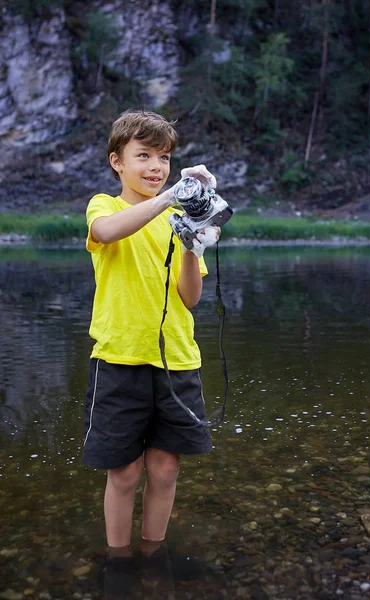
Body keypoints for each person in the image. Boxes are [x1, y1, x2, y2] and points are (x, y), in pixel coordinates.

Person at [82, 109, 218, 580]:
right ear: (117, 161)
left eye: (163, 157)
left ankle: (154, 552)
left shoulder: (178, 217)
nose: (156, 166)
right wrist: (171, 200)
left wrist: (191, 247)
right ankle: (119, 560)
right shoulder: (106, 206)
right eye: (143, 155)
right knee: (124, 472)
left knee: (164, 470)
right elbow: (105, 233)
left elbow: (190, 297)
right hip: (119, 359)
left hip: (177, 362)